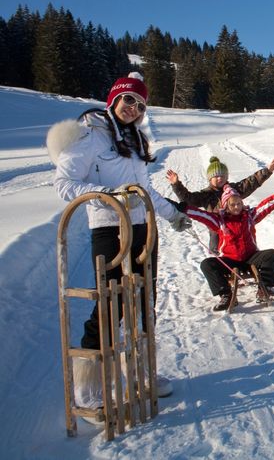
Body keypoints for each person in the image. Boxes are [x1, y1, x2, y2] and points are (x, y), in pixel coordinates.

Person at [49, 72, 191, 408]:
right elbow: (65, 183)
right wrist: (110, 196)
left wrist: (174, 214)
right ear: (114, 98)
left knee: (144, 306)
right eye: (129, 100)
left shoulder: (135, 140)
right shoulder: (90, 133)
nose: (133, 108)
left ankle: (141, 371)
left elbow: (144, 192)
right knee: (110, 307)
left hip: (144, 231)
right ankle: (87, 389)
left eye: (140, 104)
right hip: (110, 229)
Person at [173, 183, 274, 311]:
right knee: (207, 264)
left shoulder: (249, 217)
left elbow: (264, 207)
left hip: (251, 257)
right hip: (229, 261)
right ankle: (226, 295)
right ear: (226, 206)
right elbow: (203, 216)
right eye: (232, 204)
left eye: (239, 203)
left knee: (272, 254)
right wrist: (185, 209)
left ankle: (265, 290)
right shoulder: (219, 220)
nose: (236, 207)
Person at [166, 156, 274, 252]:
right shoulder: (206, 195)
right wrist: (176, 184)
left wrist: (267, 171)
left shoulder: (234, 189)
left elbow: (250, 182)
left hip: (236, 225)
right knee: (216, 243)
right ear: (210, 179)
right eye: (216, 176)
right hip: (217, 228)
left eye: (222, 176)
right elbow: (188, 199)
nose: (219, 178)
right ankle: (218, 260)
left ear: (227, 177)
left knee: (244, 238)